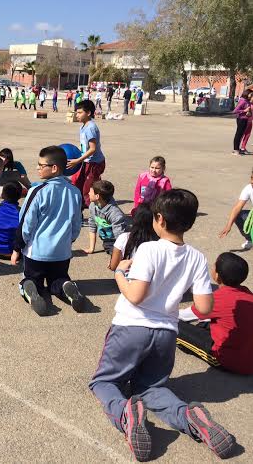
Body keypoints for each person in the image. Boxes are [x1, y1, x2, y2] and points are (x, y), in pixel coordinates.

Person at [89, 190, 236, 462]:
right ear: (190, 223)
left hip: (131, 328)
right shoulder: (197, 258)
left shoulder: (148, 249)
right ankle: (189, 418)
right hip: (166, 334)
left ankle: (125, 414)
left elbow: (135, 295)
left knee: (104, 382)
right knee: (151, 388)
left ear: (158, 219)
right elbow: (204, 308)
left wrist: (121, 273)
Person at [11, 146, 89, 316]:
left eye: (41, 165)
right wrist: (69, 241)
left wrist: (17, 247)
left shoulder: (37, 191)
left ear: (54, 168)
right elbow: (77, 224)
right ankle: (67, 288)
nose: (38, 168)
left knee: (32, 279)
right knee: (58, 279)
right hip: (62, 252)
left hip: (36, 252)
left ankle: (31, 289)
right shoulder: (75, 192)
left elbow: (26, 223)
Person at [177, 252, 253, 375]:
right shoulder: (246, 293)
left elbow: (182, 316)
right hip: (248, 354)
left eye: (213, 266)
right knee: (208, 321)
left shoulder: (218, 299)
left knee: (172, 325)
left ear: (217, 276)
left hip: (227, 360)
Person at [68, 100, 107, 209]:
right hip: (86, 161)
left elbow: (92, 149)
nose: (77, 115)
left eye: (80, 112)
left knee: (88, 189)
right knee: (77, 184)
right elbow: (85, 147)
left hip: (94, 163)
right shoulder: (83, 127)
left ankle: (95, 214)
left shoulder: (91, 128)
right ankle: (80, 207)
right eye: (76, 112)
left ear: (88, 113)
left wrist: (77, 160)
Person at [108, 204, 158, 271]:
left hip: (126, 279)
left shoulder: (124, 238)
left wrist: (111, 264)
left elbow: (114, 266)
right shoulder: (158, 241)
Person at [84, 180, 128, 256]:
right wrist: (91, 248)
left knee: (116, 255)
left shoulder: (115, 214)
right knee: (108, 247)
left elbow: (120, 238)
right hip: (107, 239)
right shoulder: (93, 205)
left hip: (115, 240)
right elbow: (92, 225)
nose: (88, 193)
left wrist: (116, 259)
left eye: (90, 192)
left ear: (97, 196)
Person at [219, 167, 253, 250]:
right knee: (238, 215)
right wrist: (228, 226)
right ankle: (250, 239)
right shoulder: (249, 188)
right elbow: (237, 207)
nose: (252, 182)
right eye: (252, 178)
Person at [232, 89, 251, 155]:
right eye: (250, 94)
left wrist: (248, 112)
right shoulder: (242, 101)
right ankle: (235, 149)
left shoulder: (247, 101)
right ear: (247, 94)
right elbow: (235, 111)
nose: (251, 96)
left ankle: (238, 148)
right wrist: (244, 111)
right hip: (241, 119)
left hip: (246, 119)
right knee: (238, 134)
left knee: (241, 135)